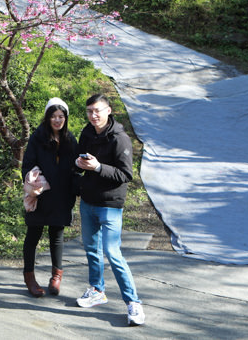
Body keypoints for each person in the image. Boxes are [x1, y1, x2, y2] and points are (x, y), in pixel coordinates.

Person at [75, 93, 145, 327]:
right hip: (88, 202)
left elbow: (125, 175)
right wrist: (79, 164)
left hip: (110, 205)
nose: (93, 115)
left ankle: (133, 303)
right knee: (91, 249)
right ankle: (97, 290)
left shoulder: (120, 139)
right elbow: (79, 161)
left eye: (97, 111)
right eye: (89, 111)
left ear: (108, 111)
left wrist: (97, 167)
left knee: (112, 253)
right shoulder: (86, 133)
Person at [20, 97, 79, 297]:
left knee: (57, 237)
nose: (57, 120)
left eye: (61, 116)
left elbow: (75, 169)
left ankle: (56, 276)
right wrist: (34, 183)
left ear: (65, 118)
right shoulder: (37, 138)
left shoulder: (70, 140)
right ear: (47, 118)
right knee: (33, 235)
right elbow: (27, 164)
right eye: (53, 116)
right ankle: (29, 277)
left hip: (61, 197)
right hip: (41, 196)